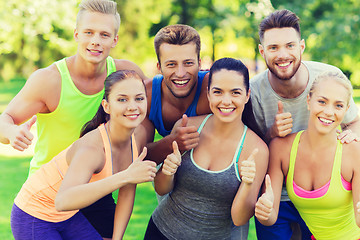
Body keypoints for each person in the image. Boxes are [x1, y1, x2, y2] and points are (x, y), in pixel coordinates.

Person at [0, 0, 147, 238]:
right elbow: (4, 120)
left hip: (97, 189)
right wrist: (12, 132)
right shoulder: (49, 80)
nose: (95, 41)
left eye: (104, 34)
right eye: (88, 32)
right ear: (76, 34)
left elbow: (157, 98)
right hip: (48, 192)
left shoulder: (125, 78)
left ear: (115, 40)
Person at [250, 9, 360, 239]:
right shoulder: (255, 92)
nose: (283, 54)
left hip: (324, 190)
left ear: (301, 47)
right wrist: (272, 132)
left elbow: (354, 121)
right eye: (273, 48)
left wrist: (352, 137)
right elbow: (251, 145)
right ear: (262, 51)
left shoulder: (329, 76)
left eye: (290, 46)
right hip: (278, 191)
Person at [10, 70, 158, 240]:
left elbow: (127, 193)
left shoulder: (138, 134)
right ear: (106, 106)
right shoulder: (92, 149)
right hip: (34, 214)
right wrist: (126, 176)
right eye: (122, 99)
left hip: (68, 215)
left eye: (139, 98)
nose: (132, 106)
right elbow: (63, 201)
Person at [143, 58, 269, 240]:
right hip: (162, 232)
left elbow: (239, 218)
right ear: (208, 94)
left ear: (247, 95)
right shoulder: (188, 128)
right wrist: (168, 171)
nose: (226, 101)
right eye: (218, 92)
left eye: (235, 92)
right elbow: (161, 189)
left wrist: (248, 184)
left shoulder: (256, 150)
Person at [255, 71, 360, 240]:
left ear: (347, 110)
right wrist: (264, 211)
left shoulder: (353, 151)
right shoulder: (282, 149)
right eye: (322, 101)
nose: (328, 111)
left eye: (338, 105)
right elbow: (270, 216)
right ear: (309, 101)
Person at [141, 24, 211, 164]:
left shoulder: (213, 89)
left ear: (199, 63)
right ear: (159, 67)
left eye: (188, 63)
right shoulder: (146, 95)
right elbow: (138, 155)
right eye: (171, 64)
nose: (180, 73)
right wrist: (171, 143)